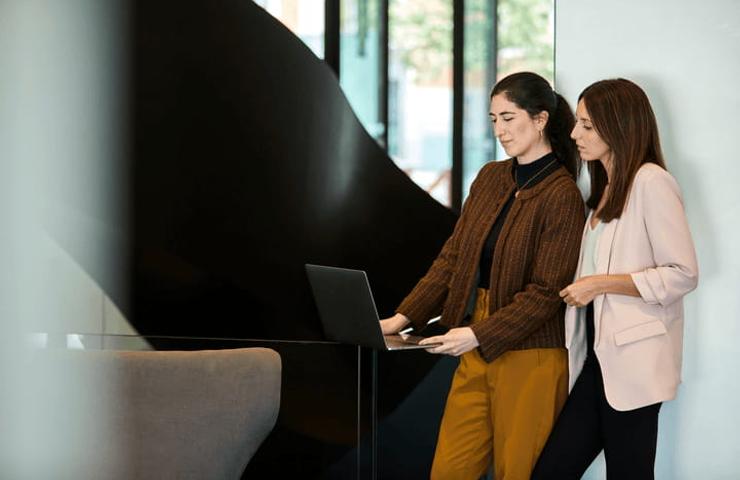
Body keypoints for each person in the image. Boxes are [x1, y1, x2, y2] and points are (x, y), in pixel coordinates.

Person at [380, 71, 585, 480]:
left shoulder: (562, 195)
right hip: (475, 344)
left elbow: (547, 293)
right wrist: (401, 319)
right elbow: (453, 259)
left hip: (531, 357)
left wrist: (476, 335)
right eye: (494, 120)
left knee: (518, 472)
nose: (500, 131)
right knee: (449, 470)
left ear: (540, 119)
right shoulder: (490, 177)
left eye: (508, 118)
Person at [531, 78, 699, 479]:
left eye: (587, 125)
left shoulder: (652, 182)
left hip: (634, 364)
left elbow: (683, 273)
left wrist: (601, 283)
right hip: (598, 360)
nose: (575, 134)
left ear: (620, 126)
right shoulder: (605, 190)